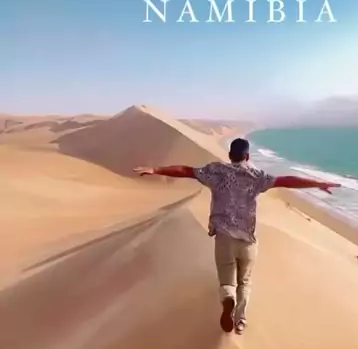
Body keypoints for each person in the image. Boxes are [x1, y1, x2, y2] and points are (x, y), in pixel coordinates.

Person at [134, 138, 340, 334]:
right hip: (247, 240)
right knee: (245, 281)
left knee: (227, 281)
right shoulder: (257, 177)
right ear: (247, 156)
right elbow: (286, 180)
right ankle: (240, 321)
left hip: (224, 238)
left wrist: (156, 170)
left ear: (230, 154)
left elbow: (186, 171)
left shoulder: (216, 172)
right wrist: (317, 183)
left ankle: (228, 299)